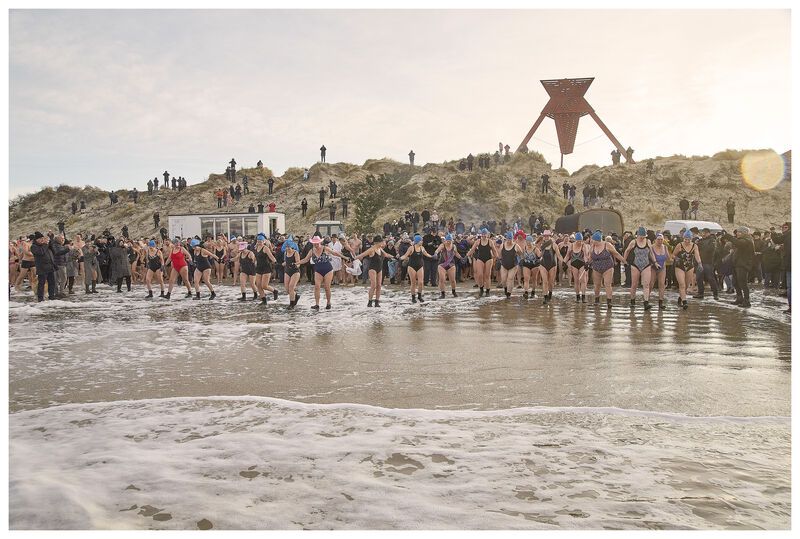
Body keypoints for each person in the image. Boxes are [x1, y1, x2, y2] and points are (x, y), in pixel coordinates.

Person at [298, 235, 348, 310]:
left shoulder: (325, 248)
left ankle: (328, 303)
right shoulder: (312, 250)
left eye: (317, 243)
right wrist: (297, 263)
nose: (316, 245)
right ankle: (317, 304)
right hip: (318, 270)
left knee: (327, 287)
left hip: (328, 269)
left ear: (320, 242)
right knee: (317, 286)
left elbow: (335, 253)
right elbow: (305, 259)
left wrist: (344, 257)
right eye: (314, 243)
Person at [587, 231, 627, 309]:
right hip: (596, 267)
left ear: (598, 240)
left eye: (593, 240)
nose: (592, 242)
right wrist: (587, 263)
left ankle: (609, 302)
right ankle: (597, 300)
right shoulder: (592, 247)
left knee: (607, 284)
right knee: (597, 285)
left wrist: (624, 261)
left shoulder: (607, 245)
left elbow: (616, 254)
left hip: (608, 266)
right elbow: (590, 257)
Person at [621, 227, 659, 310]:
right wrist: (624, 260)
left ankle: (646, 302)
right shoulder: (633, 242)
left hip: (646, 265)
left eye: (644, 236)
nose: (642, 238)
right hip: (635, 265)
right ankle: (632, 300)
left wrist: (655, 262)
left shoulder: (648, 241)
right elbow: (627, 251)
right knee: (634, 284)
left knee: (646, 284)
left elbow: (651, 253)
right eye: (641, 236)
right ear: (637, 235)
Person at [356, 235, 394, 307]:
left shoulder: (380, 249)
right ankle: (370, 301)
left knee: (379, 285)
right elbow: (362, 254)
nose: (383, 243)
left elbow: (386, 255)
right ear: (377, 242)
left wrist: (395, 257)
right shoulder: (372, 249)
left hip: (379, 268)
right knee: (373, 285)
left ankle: (377, 301)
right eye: (382, 241)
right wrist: (353, 259)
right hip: (372, 268)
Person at [671, 231, 703, 310]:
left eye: (688, 239)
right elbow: (673, 255)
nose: (687, 241)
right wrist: (676, 258)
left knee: (686, 285)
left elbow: (697, 255)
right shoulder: (680, 245)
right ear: (683, 238)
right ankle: (685, 302)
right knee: (682, 284)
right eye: (685, 239)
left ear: (691, 239)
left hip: (690, 267)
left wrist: (700, 264)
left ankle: (681, 298)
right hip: (679, 266)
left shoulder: (694, 246)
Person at [725, 226, 755, 308]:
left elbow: (738, 243)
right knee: (735, 282)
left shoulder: (747, 240)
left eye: (739, 232)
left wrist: (729, 236)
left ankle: (747, 301)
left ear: (744, 233)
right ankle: (739, 298)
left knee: (743, 283)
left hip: (743, 265)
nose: (737, 233)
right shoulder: (741, 240)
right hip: (737, 265)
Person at [399, 234, 433, 303]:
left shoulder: (422, 248)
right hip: (412, 266)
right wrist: (400, 258)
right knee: (413, 282)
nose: (422, 241)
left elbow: (426, 254)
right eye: (421, 240)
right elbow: (405, 255)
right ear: (417, 241)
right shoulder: (411, 248)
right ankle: (413, 297)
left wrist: (432, 256)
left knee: (421, 282)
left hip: (420, 266)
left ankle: (419, 296)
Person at [466, 228, 497, 297]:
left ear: (487, 235)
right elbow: (472, 250)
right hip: (480, 258)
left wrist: (496, 258)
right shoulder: (478, 241)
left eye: (485, 234)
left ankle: (488, 290)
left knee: (487, 275)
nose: (484, 236)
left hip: (489, 259)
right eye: (483, 234)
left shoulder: (490, 242)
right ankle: (481, 289)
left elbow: (494, 251)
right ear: (481, 235)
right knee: (479, 275)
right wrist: (466, 256)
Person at [536, 230, 563, 304]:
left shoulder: (554, 245)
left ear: (550, 236)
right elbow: (540, 255)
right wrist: (535, 250)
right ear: (543, 237)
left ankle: (550, 294)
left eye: (548, 236)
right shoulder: (542, 245)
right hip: (543, 265)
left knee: (551, 282)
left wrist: (563, 262)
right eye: (545, 236)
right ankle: (545, 297)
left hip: (552, 265)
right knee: (545, 281)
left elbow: (558, 255)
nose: (546, 237)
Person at [433, 234, 464, 298]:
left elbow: (455, 253)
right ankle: (443, 293)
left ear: (452, 240)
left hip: (451, 264)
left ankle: (454, 291)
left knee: (452, 280)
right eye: (447, 241)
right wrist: (435, 253)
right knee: (442, 279)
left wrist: (461, 258)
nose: (449, 242)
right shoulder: (443, 245)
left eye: (450, 241)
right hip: (442, 264)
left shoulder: (454, 246)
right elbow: (437, 250)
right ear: (445, 240)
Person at [30, 232, 56, 302]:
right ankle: (40, 298)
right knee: (41, 283)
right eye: (40, 238)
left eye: (42, 238)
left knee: (52, 282)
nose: (42, 240)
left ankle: (52, 296)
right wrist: (45, 244)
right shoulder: (34, 246)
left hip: (50, 266)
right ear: (36, 239)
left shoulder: (45, 245)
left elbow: (53, 249)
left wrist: (50, 237)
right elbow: (41, 252)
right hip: (42, 267)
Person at [253, 233, 278, 305]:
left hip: (266, 268)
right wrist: (253, 262)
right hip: (258, 268)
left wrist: (275, 261)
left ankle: (274, 291)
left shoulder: (265, 248)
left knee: (264, 285)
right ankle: (264, 300)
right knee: (258, 285)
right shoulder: (256, 247)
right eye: (258, 241)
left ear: (264, 241)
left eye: (260, 241)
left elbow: (271, 256)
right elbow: (255, 257)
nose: (259, 242)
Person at [694, 228, 719, 300]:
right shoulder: (700, 240)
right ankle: (700, 293)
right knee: (699, 278)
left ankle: (715, 294)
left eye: (705, 233)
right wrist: (697, 243)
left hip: (708, 262)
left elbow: (711, 249)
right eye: (702, 233)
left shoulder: (712, 240)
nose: (703, 234)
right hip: (700, 262)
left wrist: (700, 244)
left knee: (710, 278)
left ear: (708, 233)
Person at [565, 233, 590, 303]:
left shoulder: (583, 246)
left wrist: (586, 263)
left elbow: (585, 256)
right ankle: (577, 296)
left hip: (582, 263)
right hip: (574, 264)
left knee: (583, 280)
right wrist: (564, 262)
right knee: (576, 281)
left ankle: (584, 296)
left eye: (581, 241)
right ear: (575, 240)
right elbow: (567, 255)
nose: (579, 242)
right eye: (578, 241)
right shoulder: (571, 246)